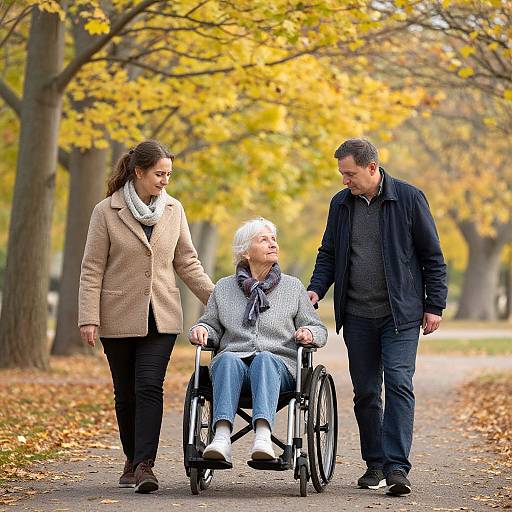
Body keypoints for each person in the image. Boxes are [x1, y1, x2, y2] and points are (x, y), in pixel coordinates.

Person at [307, 138, 447, 496]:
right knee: (367, 392)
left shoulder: (409, 198)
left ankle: (398, 467)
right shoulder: (340, 204)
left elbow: (432, 256)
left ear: (372, 168)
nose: (344, 181)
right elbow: (329, 253)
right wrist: (315, 290)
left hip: (399, 315)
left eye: (350, 173)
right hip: (356, 315)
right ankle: (376, 464)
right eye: (342, 174)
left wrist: (435, 305)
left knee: (399, 383)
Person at [78, 140, 214, 493]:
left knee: (149, 386)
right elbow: (92, 268)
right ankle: (131, 456)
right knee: (125, 394)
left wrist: (219, 300)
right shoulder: (106, 211)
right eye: (159, 174)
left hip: (162, 315)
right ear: (138, 172)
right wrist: (88, 317)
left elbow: (187, 262)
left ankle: (144, 465)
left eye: (169, 174)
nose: (165, 181)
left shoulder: (174, 210)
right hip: (117, 316)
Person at [189, 218, 327, 463]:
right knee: (227, 358)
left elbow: (318, 328)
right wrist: (201, 329)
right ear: (245, 251)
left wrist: (309, 333)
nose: (273, 244)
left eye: (273, 239)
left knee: (265, 359)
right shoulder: (223, 288)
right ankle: (221, 437)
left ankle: (263, 436)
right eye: (263, 239)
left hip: (280, 369)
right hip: (233, 370)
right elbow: (211, 325)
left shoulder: (293, 287)